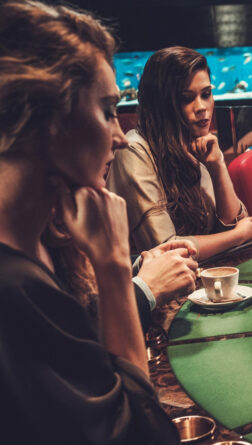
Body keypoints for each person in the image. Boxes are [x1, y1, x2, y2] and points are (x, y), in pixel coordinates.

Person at [0, 1, 178, 442]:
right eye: (108, 111)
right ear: (46, 119)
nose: (119, 137)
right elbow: (143, 433)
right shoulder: (15, 289)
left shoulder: (38, 245)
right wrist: (115, 266)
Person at [108, 46, 252, 261]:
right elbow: (167, 251)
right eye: (187, 98)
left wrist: (218, 167)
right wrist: (236, 236)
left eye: (206, 94)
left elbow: (241, 225)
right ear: (162, 105)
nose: (201, 107)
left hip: (204, 277)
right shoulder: (133, 150)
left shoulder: (197, 145)